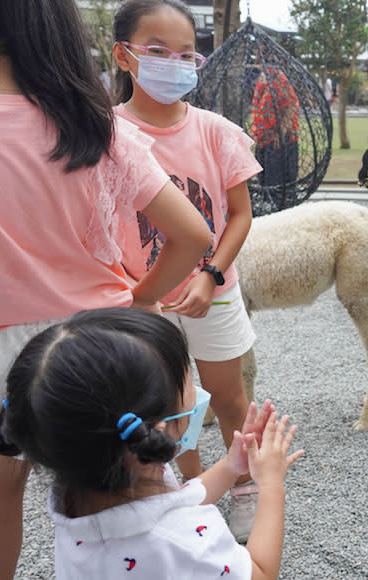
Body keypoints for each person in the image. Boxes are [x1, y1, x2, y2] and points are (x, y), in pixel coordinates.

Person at [0, 1, 212, 577]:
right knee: (134, 483)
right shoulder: (90, 121)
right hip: (110, 341)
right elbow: (194, 235)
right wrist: (143, 300)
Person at [0, 308, 302, 579]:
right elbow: (260, 571)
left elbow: (176, 500)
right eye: (188, 382)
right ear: (157, 428)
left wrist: (231, 467)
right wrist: (272, 487)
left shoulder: (79, 495)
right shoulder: (183, 541)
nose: (196, 390)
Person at [111, 0, 264, 542]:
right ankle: (194, 490)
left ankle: (246, 483)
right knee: (173, 404)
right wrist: (133, 294)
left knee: (227, 396)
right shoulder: (104, 133)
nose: (172, 64)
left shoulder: (216, 131)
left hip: (212, 290)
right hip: (138, 298)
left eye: (185, 55)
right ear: (123, 56)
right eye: (156, 52)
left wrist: (212, 275)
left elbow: (241, 214)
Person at [249, 65, 300, 189]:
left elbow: (292, 105)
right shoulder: (263, 78)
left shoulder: (279, 79)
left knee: (278, 185)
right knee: (264, 181)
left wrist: (280, 133)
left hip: (280, 141)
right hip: (263, 139)